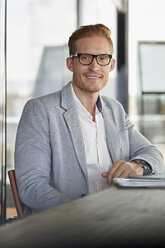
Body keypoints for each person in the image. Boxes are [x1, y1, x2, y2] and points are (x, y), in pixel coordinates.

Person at [15, 24, 164, 216]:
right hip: (65, 229)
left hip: (115, 219)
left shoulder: (114, 110)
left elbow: (153, 154)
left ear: (110, 65)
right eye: (85, 58)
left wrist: (136, 166)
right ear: (71, 63)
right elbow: (31, 187)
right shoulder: (40, 110)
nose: (94, 66)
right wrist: (84, 213)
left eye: (102, 58)